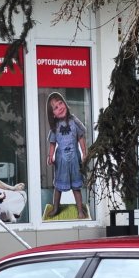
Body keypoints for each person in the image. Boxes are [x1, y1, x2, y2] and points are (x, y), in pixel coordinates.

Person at [45, 90, 89, 219]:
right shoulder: (55, 128)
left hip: (74, 159)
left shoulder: (74, 121)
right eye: (55, 107)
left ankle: (80, 210)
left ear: (65, 103)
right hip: (61, 161)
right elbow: (52, 143)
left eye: (60, 103)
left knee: (76, 187)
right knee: (58, 187)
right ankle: (55, 208)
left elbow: (81, 137)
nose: (60, 107)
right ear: (52, 114)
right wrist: (50, 156)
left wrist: (84, 153)